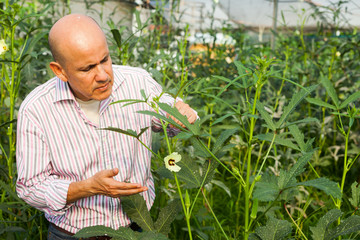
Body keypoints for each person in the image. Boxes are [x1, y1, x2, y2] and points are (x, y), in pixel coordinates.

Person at [16, 14, 197, 239]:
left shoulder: (137, 82)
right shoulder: (36, 108)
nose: (103, 76)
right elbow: (30, 188)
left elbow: (169, 116)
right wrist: (88, 187)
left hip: (138, 228)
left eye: (105, 59)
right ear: (60, 71)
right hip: (72, 235)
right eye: (87, 68)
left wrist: (181, 113)